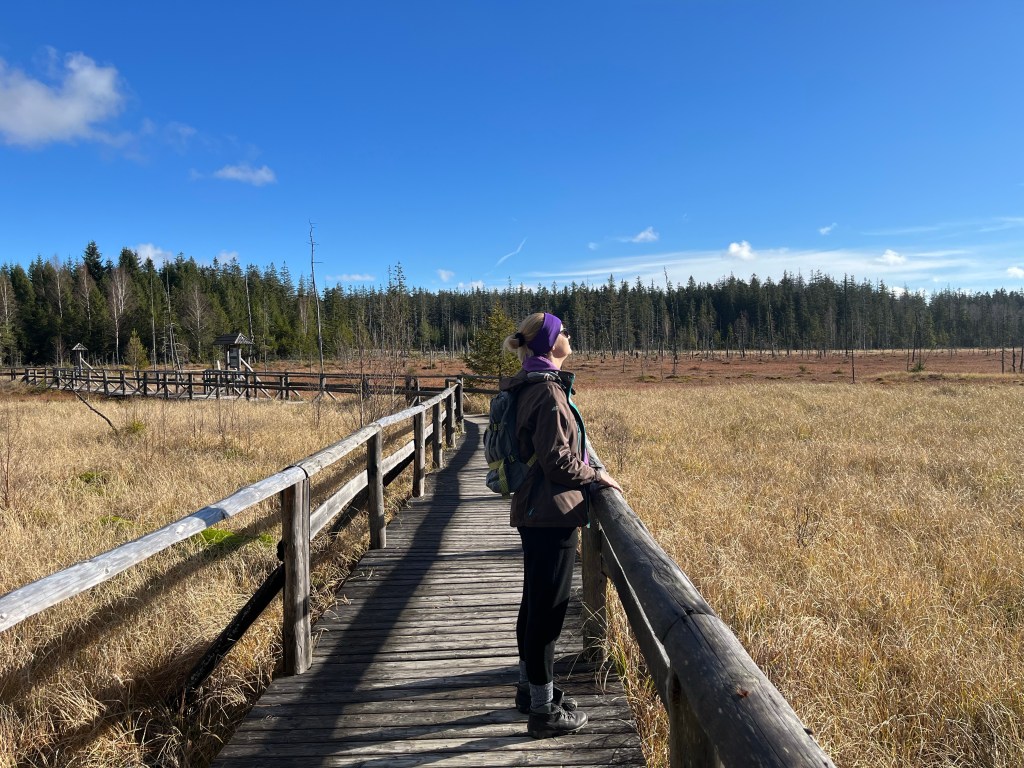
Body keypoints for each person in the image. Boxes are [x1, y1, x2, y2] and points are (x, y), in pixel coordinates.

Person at [500, 311, 622, 739]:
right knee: (548, 614)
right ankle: (543, 712)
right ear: (551, 343)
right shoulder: (548, 392)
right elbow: (557, 460)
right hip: (551, 512)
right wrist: (595, 475)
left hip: (537, 510)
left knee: (534, 604)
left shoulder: (532, 385)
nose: (569, 336)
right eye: (564, 331)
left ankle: (531, 692)